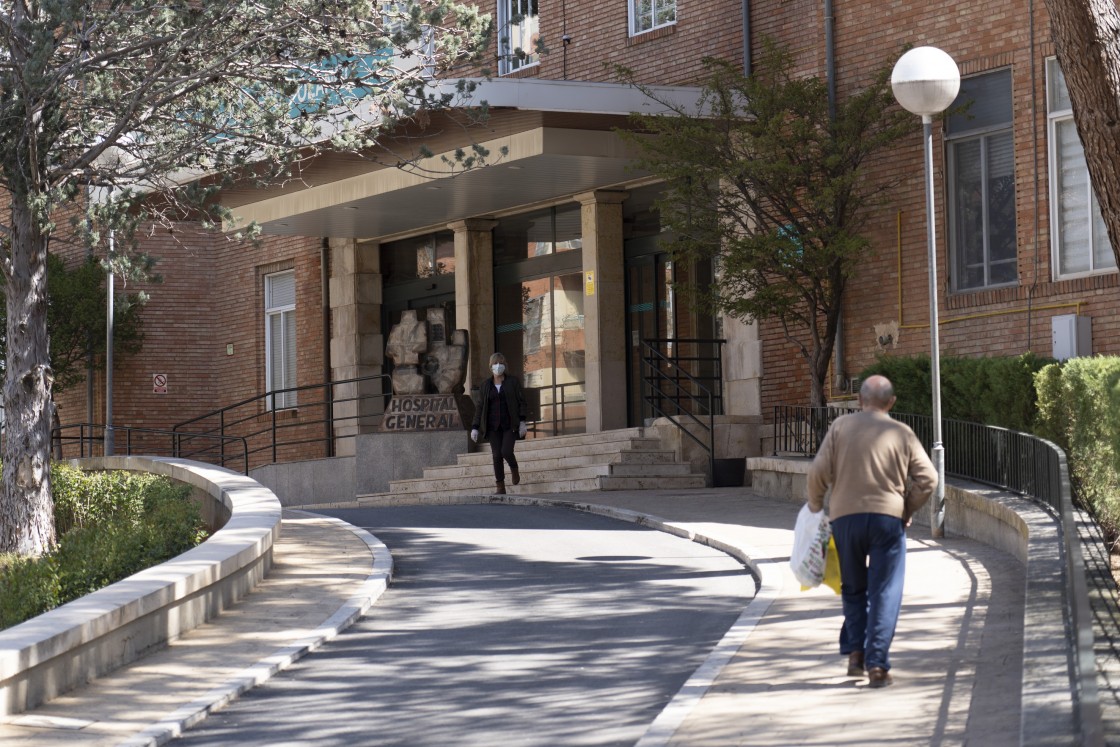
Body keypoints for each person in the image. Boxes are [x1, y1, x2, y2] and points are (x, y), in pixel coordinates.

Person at [807, 374, 938, 688]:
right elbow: (929, 479)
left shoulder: (840, 427)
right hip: (886, 521)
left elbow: (818, 471)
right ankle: (877, 665)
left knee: (853, 589)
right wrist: (906, 508)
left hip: (845, 520)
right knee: (884, 591)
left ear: (859, 400)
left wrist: (815, 507)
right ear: (891, 402)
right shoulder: (901, 432)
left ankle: (856, 654)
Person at [470, 352, 528, 495]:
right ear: (490, 367)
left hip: (510, 424)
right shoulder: (486, 386)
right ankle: (500, 486)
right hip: (492, 427)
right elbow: (480, 407)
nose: (498, 366)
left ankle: (514, 468)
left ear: (505, 365)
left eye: (500, 363)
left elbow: (521, 402)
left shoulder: (512, 382)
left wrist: (522, 421)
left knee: (506, 451)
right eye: (495, 363)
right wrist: (475, 427)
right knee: (496, 455)